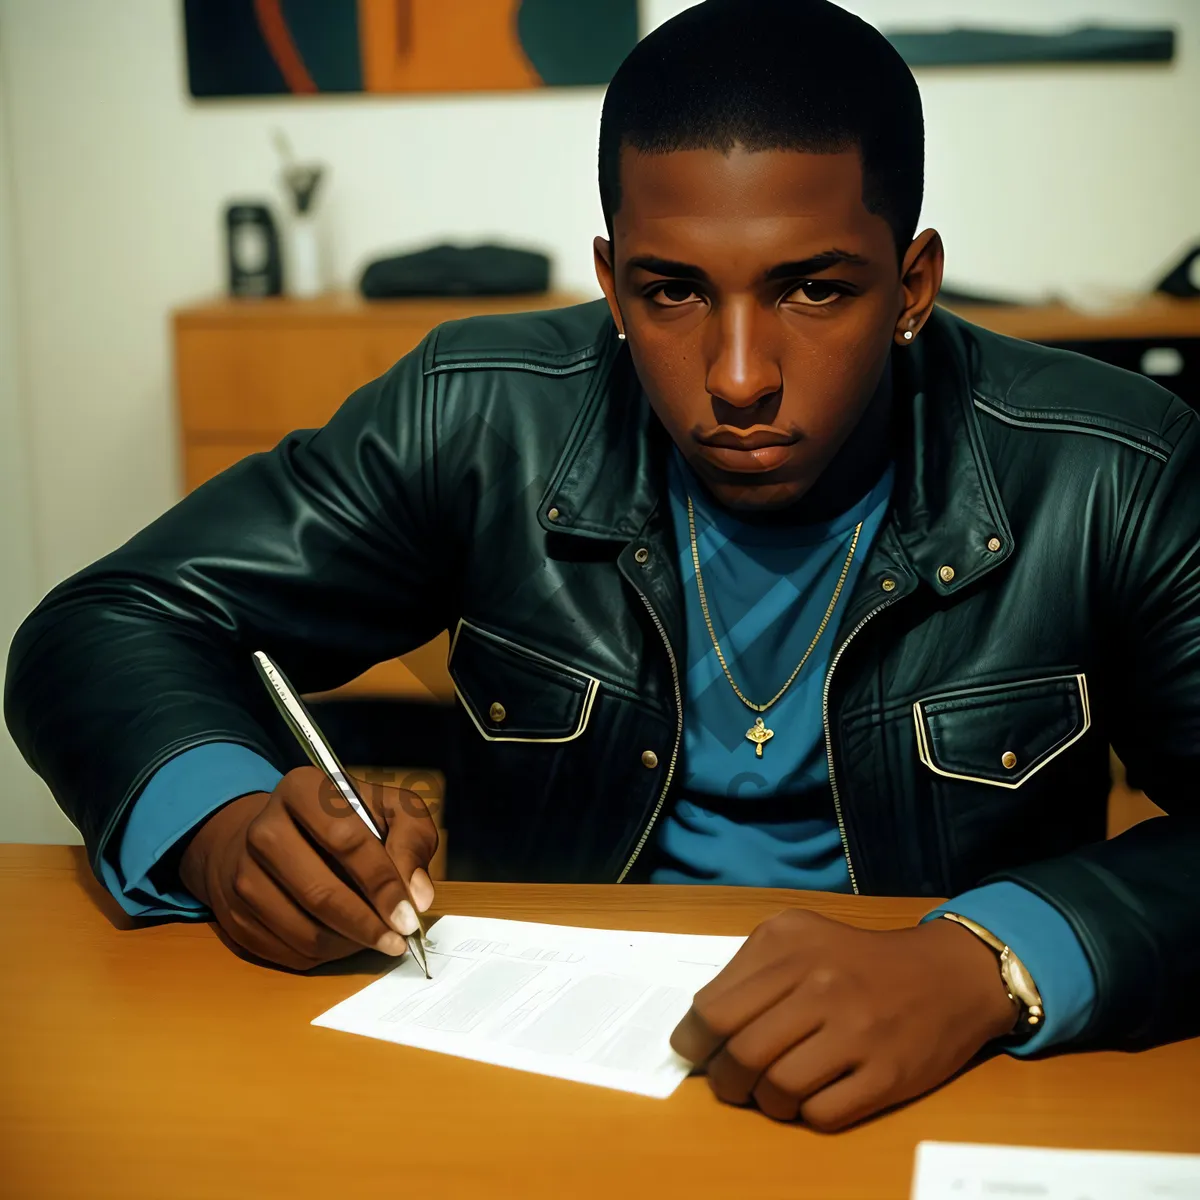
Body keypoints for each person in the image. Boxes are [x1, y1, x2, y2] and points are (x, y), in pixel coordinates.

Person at [6, 0, 1199, 1132]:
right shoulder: (481, 418)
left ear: (913, 285)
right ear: (610, 279)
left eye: (814, 289)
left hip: (937, 1080)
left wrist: (990, 962)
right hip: (533, 1067)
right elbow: (109, 621)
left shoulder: (1111, 470)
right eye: (671, 290)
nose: (738, 378)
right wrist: (222, 827)